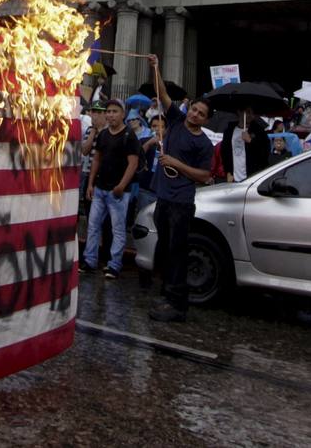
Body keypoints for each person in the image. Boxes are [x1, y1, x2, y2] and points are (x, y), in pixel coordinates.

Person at [147, 54, 214, 323]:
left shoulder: (204, 144)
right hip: (163, 199)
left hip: (181, 204)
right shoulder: (174, 120)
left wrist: (176, 162)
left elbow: (204, 175)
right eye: (194, 109)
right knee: (164, 249)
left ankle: (178, 305)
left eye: (201, 114)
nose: (195, 114)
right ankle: (167, 295)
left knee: (177, 252)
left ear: (206, 120)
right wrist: (155, 67)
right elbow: (162, 93)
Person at [81, 98, 140, 280]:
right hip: (99, 189)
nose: (111, 115)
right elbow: (96, 159)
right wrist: (91, 184)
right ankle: (90, 261)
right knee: (92, 227)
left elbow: (133, 163)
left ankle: (114, 265)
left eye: (115, 111)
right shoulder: (104, 135)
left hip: (119, 193)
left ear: (123, 114)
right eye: (108, 112)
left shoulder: (129, 135)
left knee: (118, 230)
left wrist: (121, 186)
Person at [220, 105, 269, 182]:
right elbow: (225, 153)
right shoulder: (229, 131)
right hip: (233, 180)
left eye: (253, 113)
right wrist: (228, 172)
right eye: (248, 112)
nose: (251, 116)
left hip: (253, 179)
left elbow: (265, 154)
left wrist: (250, 141)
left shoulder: (259, 131)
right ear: (239, 112)